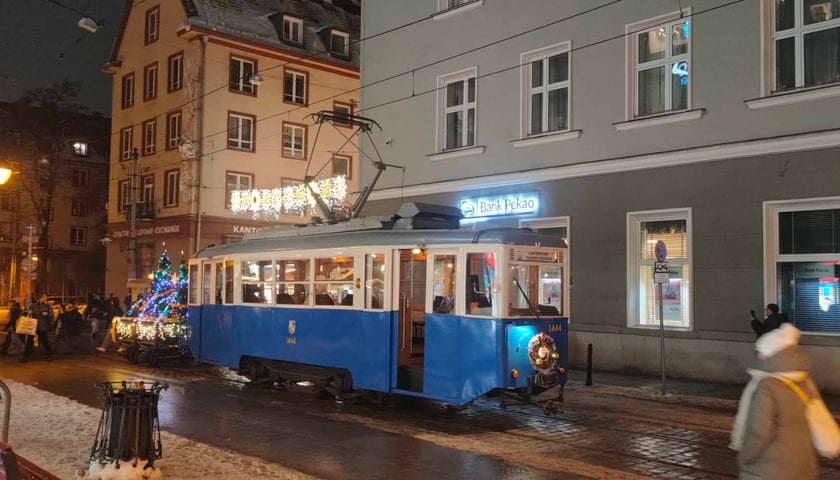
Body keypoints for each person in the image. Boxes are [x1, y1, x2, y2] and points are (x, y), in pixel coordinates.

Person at [730, 323, 820, 479]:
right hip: (803, 467)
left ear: (772, 353)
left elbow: (759, 432)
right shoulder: (804, 381)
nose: (758, 356)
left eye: (760, 352)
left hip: (767, 470)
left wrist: (744, 458)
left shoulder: (767, 385)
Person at [21, 294, 54, 362]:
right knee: (29, 342)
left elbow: (51, 315)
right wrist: (29, 313)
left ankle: (49, 354)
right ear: (40, 298)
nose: (45, 299)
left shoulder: (47, 306)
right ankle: (25, 357)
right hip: (33, 325)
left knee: (45, 341)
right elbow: (27, 313)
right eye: (44, 297)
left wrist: (47, 315)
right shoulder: (33, 305)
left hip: (42, 326)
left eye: (46, 297)